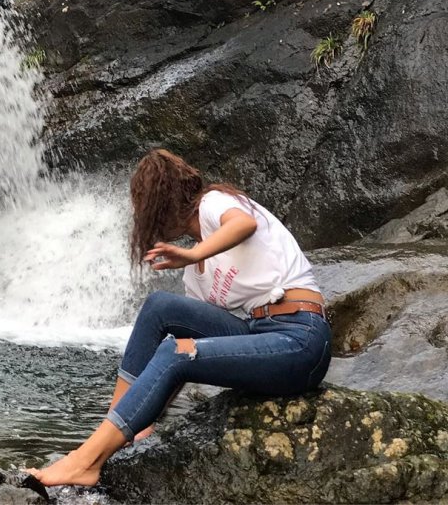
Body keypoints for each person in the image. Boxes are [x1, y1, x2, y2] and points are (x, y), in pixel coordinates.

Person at [28, 148, 332, 488]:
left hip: (299, 337)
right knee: (160, 308)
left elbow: (244, 224)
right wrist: (142, 416)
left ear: (166, 203)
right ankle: (110, 438)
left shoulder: (214, 202)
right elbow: (181, 362)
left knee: (178, 351)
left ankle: (86, 460)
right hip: (256, 331)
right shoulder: (195, 278)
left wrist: (193, 253)